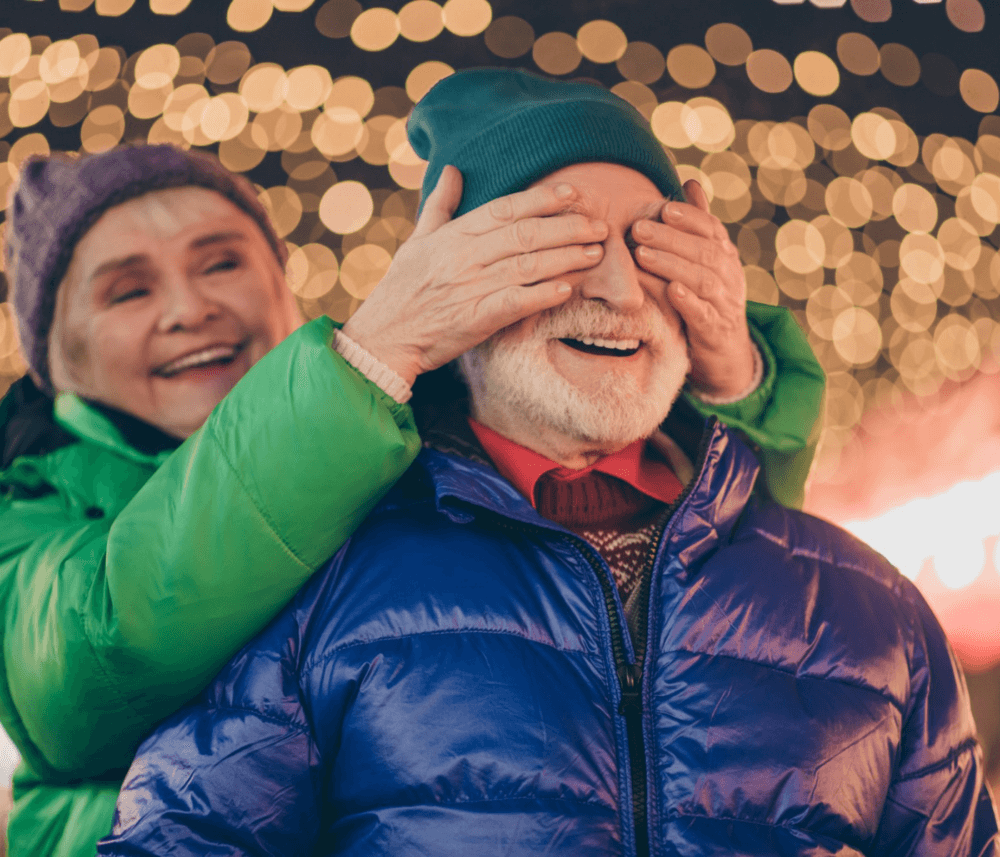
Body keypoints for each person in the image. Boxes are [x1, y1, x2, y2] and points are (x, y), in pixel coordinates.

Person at [96, 69, 999, 856]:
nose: (617, 290)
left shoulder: (871, 607)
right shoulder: (319, 583)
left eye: (654, 246)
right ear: (459, 290)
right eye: (555, 246)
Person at [0, 121, 823, 857]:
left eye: (222, 262)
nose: (189, 308)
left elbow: (687, 581)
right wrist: (375, 351)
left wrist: (732, 386)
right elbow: (94, 662)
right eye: (128, 290)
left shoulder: (381, 446)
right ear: (55, 356)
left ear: (284, 286)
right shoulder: (28, 513)